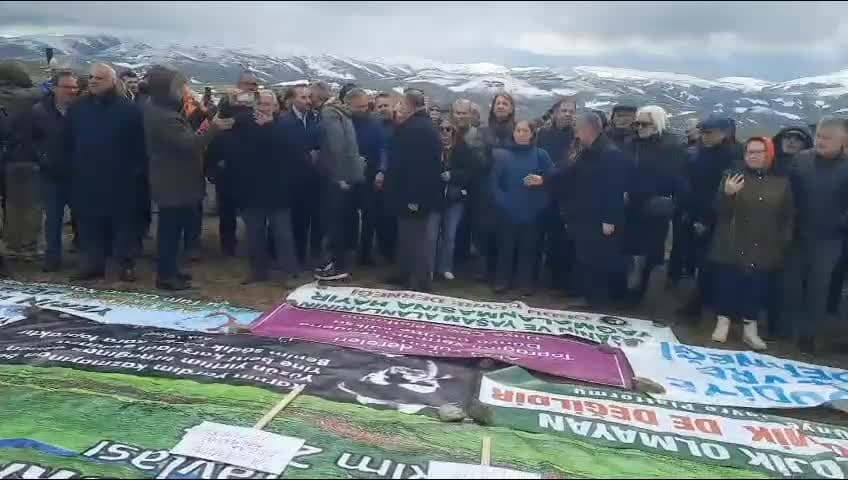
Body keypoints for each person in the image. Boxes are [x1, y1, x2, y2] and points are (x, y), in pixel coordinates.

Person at [142, 65, 233, 290]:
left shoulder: (161, 109)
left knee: (174, 226)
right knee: (170, 230)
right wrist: (213, 128)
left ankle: (172, 269)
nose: (184, 90)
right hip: (172, 180)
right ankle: (166, 275)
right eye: (179, 86)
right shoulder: (163, 117)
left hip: (176, 178)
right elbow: (189, 144)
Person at [708, 137, 792, 351]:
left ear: (769, 154)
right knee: (728, 282)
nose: (753, 156)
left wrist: (783, 242)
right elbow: (718, 211)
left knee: (756, 287)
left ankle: (750, 329)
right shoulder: (732, 175)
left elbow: (787, 215)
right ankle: (723, 323)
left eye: (759, 152)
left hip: (765, 243)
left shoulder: (781, 181)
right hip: (733, 239)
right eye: (749, 152)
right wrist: (727, 195)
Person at [66, 63, 147, 282]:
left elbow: (139, 146)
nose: (92, 81)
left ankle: (124, 265)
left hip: (121, 179)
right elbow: (69, 141)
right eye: (91, 76)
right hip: (86, 178)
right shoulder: (78, 109)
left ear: (112, 81)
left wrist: (135, 173)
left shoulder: (129, 110)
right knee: (90, 224)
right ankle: (92, 265)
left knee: (123, 225)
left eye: (99, 78)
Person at [783, 117, 848, 354]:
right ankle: (785, 329)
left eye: (828, 138)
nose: (821, 141)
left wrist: (835, 222)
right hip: (797, 234)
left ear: (844, 140)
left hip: (829, 240)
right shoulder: (802, 160)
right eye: (819, 136)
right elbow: (788, 194)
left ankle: (808, 337)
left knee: (818, 288)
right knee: (791, 282)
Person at [227, 91, 301, 284]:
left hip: (278, 188)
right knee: (254, 233)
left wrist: (268, 128)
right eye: (261, 104)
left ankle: (289, 272)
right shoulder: (244, 124)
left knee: (283, 234)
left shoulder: (285, 125)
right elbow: (239, 150)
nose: (264, 109)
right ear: (254, 106)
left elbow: (289, 150)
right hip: (252, 188)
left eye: (269, 105)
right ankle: (257, 271)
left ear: (276, 107)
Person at [559, 112, 628, 307]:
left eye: (578, 131)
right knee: (585, 256)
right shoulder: (590, 150)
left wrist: (610, 219)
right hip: (586, 213)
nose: (577, 136)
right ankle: (587, 295)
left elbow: (614, 189)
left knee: (597, 259)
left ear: (587, 130)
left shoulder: (610, 153)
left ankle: (597, 300)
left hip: (601, 217)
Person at [622, 106, 689, 303]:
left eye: (645, 124)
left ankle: (636, 295)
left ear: (657, 124)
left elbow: (674, 179)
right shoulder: (630, 143)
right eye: (637, 123)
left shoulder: (671, 147)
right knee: (628, 251)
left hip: (654, 207)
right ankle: (623, 290)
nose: (640, 127)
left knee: (646, 253)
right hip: (629, 205)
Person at [678, 115, 741, 317]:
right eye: (703, 132)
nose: (704, 136)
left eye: (709, 133)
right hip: (693, 212)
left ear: (724, 133)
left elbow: (721, 191)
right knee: (695, 260)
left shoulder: (732, 156)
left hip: (718, 217)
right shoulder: (698, 152)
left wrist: (707, 218)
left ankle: (697, 307)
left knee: (708, 264)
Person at [385, 89, 442, 292]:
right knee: (407, 236)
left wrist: (414, 198)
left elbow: (421, 169)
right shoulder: (415, 126)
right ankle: (405, 274)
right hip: (406, 192)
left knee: (417, 239)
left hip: (414, 194)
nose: (397, 107)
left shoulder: (418, 129)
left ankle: (420, 283)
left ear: (409, 105)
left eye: (400, 104)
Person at [490, 120, 553, 295]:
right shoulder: (503, 155)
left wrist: (541, 188)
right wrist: (503, 202)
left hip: (532, 210)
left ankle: (525, 283)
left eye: (525, 130)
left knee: (529, 248)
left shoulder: (541, 155)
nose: (521, 134)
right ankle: (503, 280)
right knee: (506, 247)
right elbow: (494, 182)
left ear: (532, 134)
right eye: (518, 130)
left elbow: (552, 178)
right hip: (508, 210)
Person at [311, 81, 364, 281]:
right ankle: (335, 264)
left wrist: (344, 175)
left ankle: (337, 264)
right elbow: (339, 147)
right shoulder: (337, 115)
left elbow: (341, 147)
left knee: (337, 222)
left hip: (339, 177)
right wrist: (344, 176)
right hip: (340, 177)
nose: (364, 110)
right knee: (336, 222)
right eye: (361, 107)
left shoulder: (336, 114)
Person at [27, 70, 79, 272]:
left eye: (75, 87)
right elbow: (30, 140)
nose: (72, 91)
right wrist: (43, 158)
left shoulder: (81, 110)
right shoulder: (39, 111)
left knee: (83, 216)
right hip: (51, 175)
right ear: (55, 88)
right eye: (67, 87)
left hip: (78, 174)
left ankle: (84, 256)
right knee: (54, 219)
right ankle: (53, 259)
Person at [0, 61, 43, 262]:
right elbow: (43, 91)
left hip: (6, 156)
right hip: (25, 157)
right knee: (29, 205)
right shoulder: (28, 97)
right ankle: (27, 247)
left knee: (10, 205)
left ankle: (10, 244)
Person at [536, 97, 578, 291]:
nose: (568, 114)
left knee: (561, 238)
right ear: (555, 113)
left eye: (571, 111)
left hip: (565, 193)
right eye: (564, 110)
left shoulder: (577, 137)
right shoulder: (542, 134)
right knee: (537, 235)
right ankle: (534, 275)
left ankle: (558, 280)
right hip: (541, 189)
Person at [474, 93, 516, 284]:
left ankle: (503, 273)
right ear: (492, 107)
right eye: (498, 103)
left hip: (509, 188)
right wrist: (492, 157)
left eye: (505, 103)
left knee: (506, 232)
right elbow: (477, 155)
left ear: (511, 108)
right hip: (486, 188)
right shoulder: (483, 131)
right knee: (484, 230)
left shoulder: (518, 130)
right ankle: (484, 270)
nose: (501, 106)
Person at [345, 88, 387, 267]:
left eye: (366, 105)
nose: (364, 109)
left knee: (370, 216)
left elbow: (384, 148)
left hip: (370, 176)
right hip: (346, 176)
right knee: (347, 216)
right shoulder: (342, 122)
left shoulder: (375, 122)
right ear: (348, 105)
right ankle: (346, 251)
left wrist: (382, 170)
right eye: (359, 107)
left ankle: (365, 252)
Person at [281, 84, 322, 267]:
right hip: (292, 180)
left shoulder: (312, 118)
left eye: (309, 97)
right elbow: (288, 150)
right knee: (294, 221)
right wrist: (308, 156)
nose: (308, 101)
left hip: (312, 179)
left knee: (308, 219)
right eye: (303, 97)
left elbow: (316, 143)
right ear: (291, 100)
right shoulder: (284, 121)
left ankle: (305, 256)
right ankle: (293, 258)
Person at [430, 117, 474, 281]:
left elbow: (470, 172)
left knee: (450, 235)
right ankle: (430, 267)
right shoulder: (431, 148)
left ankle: (445, 267)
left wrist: (453, 175)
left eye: (449, 129)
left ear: (455, 132)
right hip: (434, 198)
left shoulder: (463, 149)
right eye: (441, 129)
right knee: (432, 235)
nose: (445, 133)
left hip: (454, 199)